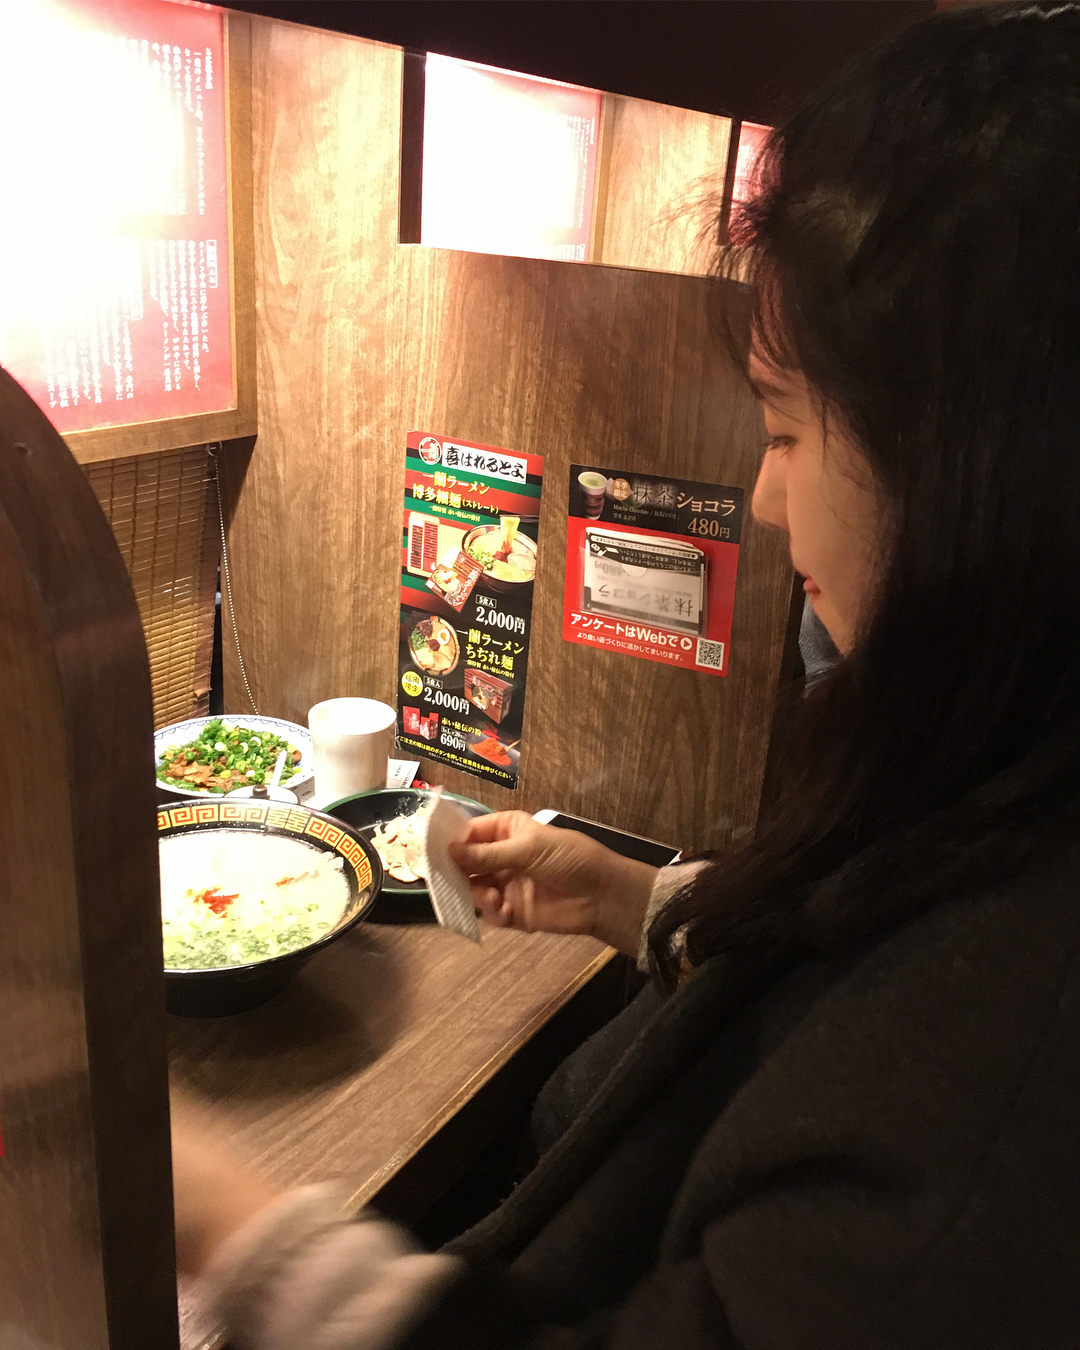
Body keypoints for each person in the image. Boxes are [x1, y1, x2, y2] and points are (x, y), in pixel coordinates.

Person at [171, 5, 1080, 1345]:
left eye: (784, 429)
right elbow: (859, 940)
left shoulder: (990, 1110)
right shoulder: (999, 774)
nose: (765, 499)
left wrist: (230, 1226)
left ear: (973, 474)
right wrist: (635, 899)